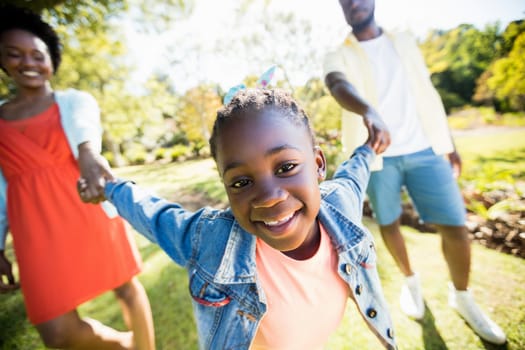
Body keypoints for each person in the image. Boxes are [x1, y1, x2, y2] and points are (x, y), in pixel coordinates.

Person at [79, 87, 397, 349]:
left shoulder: (341, 203)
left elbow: (355, 172)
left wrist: (370, 147)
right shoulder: (210, 242)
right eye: (242, 182)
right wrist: (110, 186)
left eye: (286, 167)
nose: (270, 196)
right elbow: (154, 214)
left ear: (317, 164)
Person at [323, 0, 506, 345]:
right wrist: (369, 111)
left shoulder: (404, 40)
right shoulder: (337, 53)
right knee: (389, 222)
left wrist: (448, 141)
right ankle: (411, 283)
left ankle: (462, 297)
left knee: (455, 225)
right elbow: (336, 84)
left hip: (425, 149)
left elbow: (427, 91)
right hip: (377, 156)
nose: (353, 3)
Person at [0, 5, 155, 349]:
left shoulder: (72, 102)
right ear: (2, 61)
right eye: (15, 54)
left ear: (51, 59)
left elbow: (86, 135)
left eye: (37, 54)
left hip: (87, 204)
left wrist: (89, 154)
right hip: (34, 231)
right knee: (57, 334)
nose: (28, 62)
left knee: (126, 289)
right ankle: (126, 345)